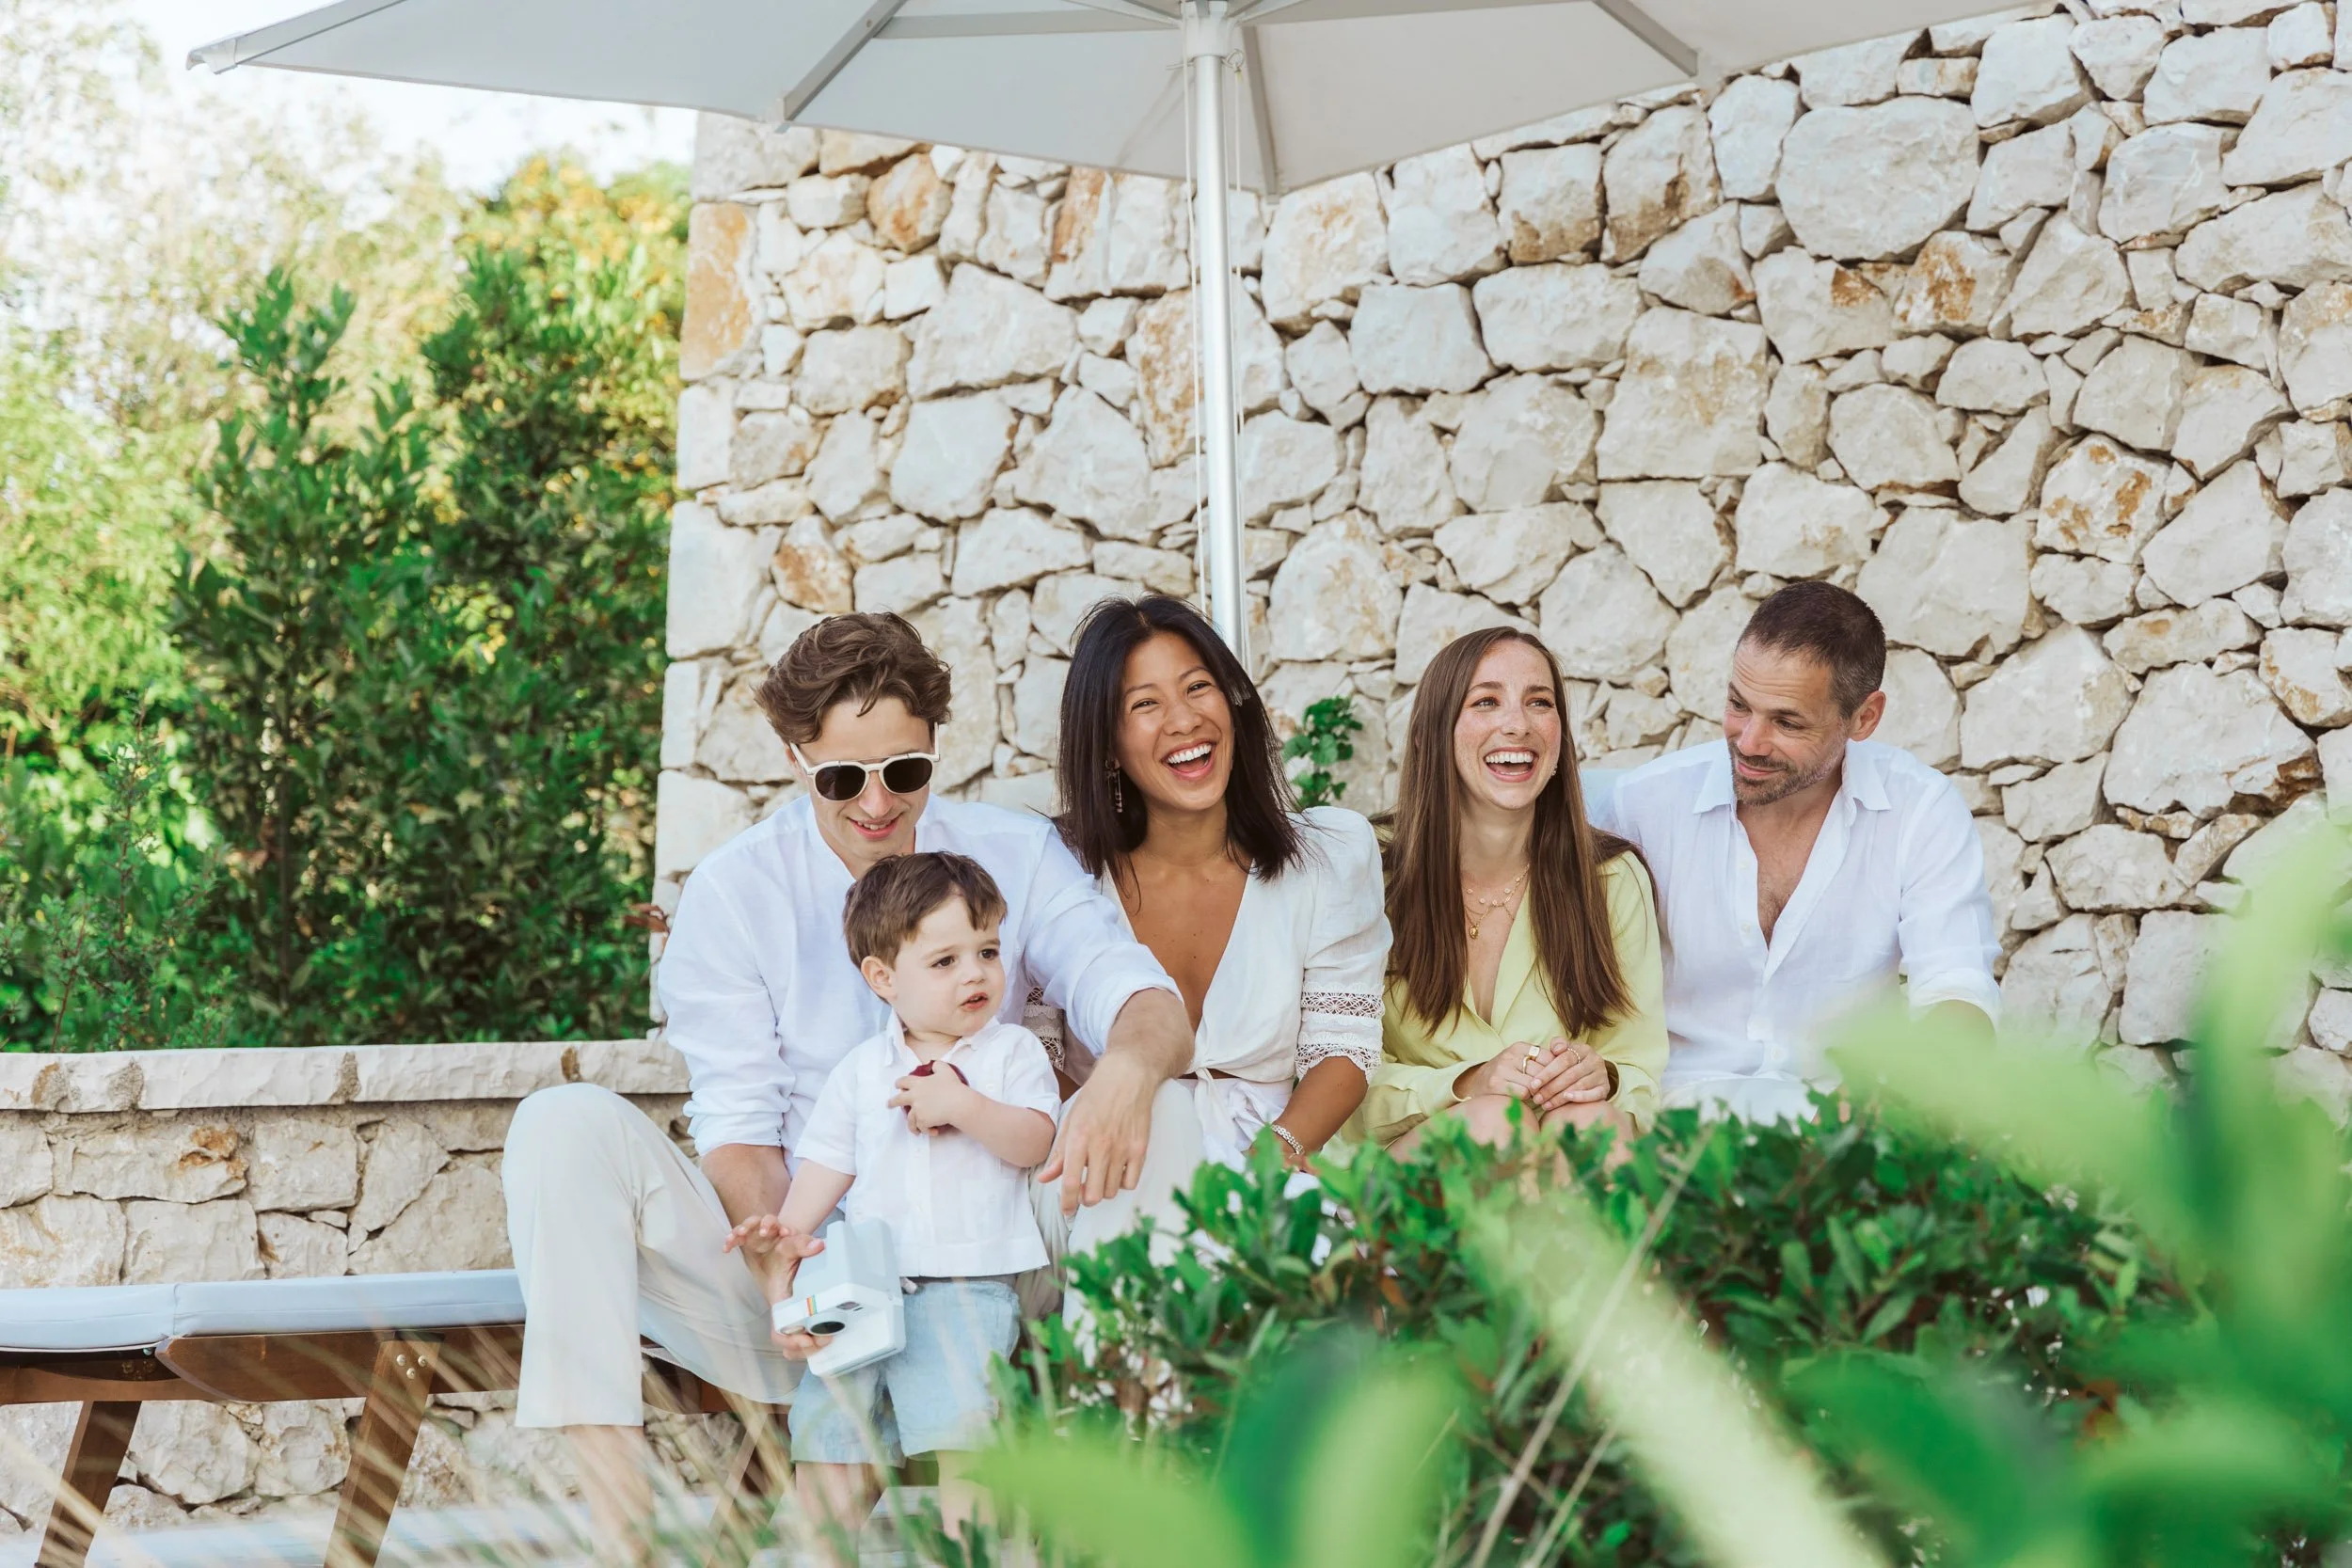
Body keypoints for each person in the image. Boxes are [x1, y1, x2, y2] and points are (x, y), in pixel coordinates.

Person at [499, 612, 1194, 1555]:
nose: (877, 802)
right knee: (560, 1124)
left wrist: (1127, 1068)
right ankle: (626, 1540)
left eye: (904, 770)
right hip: (801, 1270)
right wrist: (801, 1268)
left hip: (983, 1263)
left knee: (1174, 1109)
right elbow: (738, 1127)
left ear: (933, 749)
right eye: (842, 778)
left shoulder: (1017, 855)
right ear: (795, 758)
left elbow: (1138, 994)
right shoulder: (736, 890)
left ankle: (1157, 1513)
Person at [726, 851, 1057, 1563]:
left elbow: (1034, 1140)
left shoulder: (1010, 1053)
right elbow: (827, 1168)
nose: (975, 973)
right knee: (833, 1438)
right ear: (883, 978)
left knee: (960, 1437)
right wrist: (787, 1232)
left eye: (989, 951)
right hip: (866, 1284)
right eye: (945, 960)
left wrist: (963, 1104)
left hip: (965, 1289)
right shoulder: (862, 1070)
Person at [1037, 594, 1388, 1237]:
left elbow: (1343, 1047)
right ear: (1107, 744)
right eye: (1145, 704)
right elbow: (1039, 1054)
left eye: (1199, 687)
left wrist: (1269, 1160)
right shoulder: (1060, 872)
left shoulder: (1330, 855)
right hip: (1106, 1174)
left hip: (1270, 1160)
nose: (1183, 719)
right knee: (1163, 1111)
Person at [1591, 581, 2000, 1121]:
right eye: (1739, 705)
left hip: (1840, 1125)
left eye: (1787, 722)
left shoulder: (1919, 810)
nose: (1749, 742)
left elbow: (1957, 984)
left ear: (1864, 718)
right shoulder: (1640, 805)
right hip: (1669, 1123)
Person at [1360, 626, 1667, 1151]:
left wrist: (1603, 1078)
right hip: (1410, 1165)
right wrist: (1464, 1084)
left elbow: (1640, 1069)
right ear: (1429, 733)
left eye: (1539, 703)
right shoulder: (1367, 870)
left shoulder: (1611, 879)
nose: (1517, 725)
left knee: (1591, 1128)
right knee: (1495, 1126)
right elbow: (1335, 1078)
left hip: (1559, 1162)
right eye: (1486, 702)